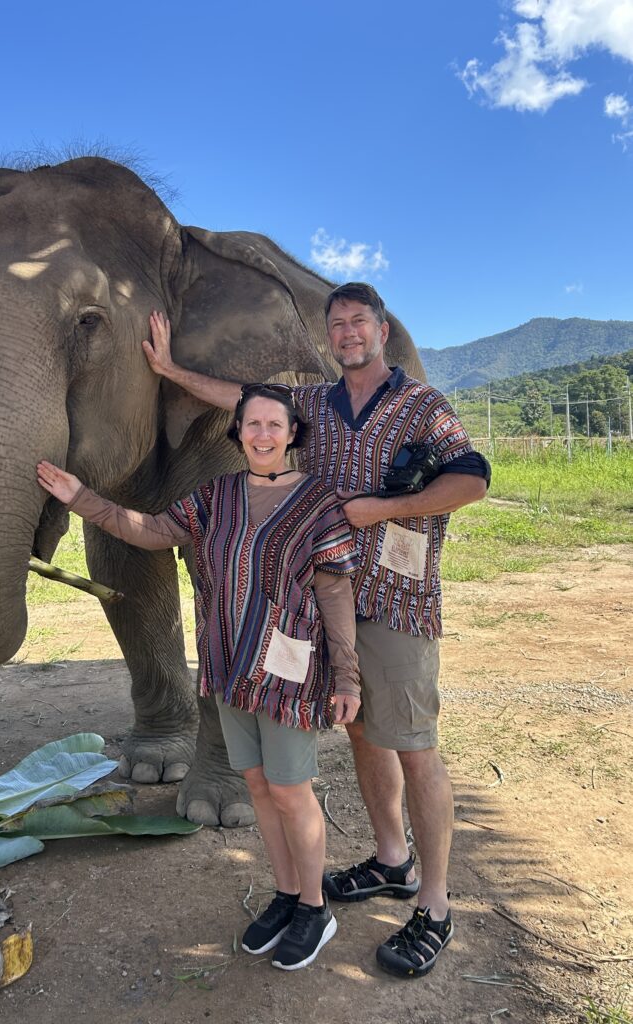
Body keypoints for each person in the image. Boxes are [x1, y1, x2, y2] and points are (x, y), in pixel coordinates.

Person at [141, 287, 490, 978]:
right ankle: (391, 860)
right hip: (321, 606)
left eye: (359, 321)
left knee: (414, 747)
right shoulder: (315, 407)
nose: (348, 332)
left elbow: (472, 479)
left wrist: (380, 508)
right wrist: (172, 371)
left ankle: (435, 904)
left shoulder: (421, 404)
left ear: (382, 330)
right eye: (337, 324)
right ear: (328, 336)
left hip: (394, 602)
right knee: (361, 734)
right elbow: (245, 401)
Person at [37, 384, 363, 972]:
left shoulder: (320, 504)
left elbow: (335, 591)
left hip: (289, 675)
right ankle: (286, 893)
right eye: (252, 424)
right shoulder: (216, 496)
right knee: (258, 785)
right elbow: (151, 531)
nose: (262, 435)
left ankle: (316, 908)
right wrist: (82, 498)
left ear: (293, 434)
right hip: (230, 667)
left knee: (291, 789)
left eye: (275, 424)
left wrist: (347, 676)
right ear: (237, 432)